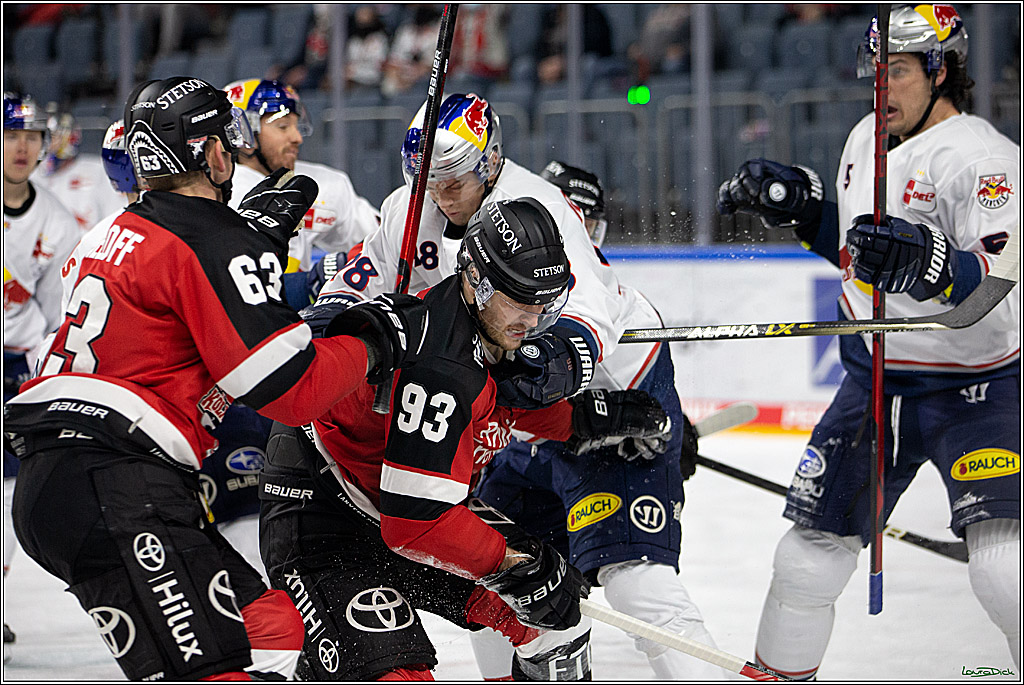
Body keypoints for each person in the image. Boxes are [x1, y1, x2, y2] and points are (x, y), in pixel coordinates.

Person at [3, 76, 434, 681]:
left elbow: (165, 298)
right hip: (118, 482)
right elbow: (291, 386)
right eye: (224, 144)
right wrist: (376, 338)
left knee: (271, 621)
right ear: (205, 150)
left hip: (62, 482)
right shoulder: (213, 239)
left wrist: (247, 242)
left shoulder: (106, 231)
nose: (231, 157)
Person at [717, 5, 1020, 678]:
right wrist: (804, 213)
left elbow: (999, 289)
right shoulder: (863, 139)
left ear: (945, 72)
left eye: (901, 72)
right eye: (875, 72)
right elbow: (861, 253)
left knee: (1005, 569)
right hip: (874, 381)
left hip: (976, 387)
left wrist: (933, 263)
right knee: (805, 558)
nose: (882, 88)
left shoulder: (986, 160)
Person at [260, 197, 674, 680]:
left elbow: (498, 401)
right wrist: (522, 565)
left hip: (402, 504)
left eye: (545, 302)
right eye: (520, 300)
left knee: (555, 626)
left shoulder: (493, 330)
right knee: (398, 673)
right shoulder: (443, 369)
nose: (535, 319)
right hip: (325, 517)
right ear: (476, 282)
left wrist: (584, 420)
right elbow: (415, 525)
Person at [468, 161, 729, 680]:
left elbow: (643, 381)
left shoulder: (599, 296)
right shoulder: (498, 279)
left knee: (635, 580)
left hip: (608, 445)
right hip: (536, 443)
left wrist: (665, 424)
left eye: (587, 221)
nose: (577, 234)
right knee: (488, 571)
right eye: (568, 216)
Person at [3, 92, 80, 664]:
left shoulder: (55, 218)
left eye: (31, 136)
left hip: (19, 368)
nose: (23, 146)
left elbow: (58, 320)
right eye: (11, 134)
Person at [224, 78, 380, 278]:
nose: (297, 137)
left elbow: (382, 244)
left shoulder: (325, 183)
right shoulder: (217, 196)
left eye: (296, 126)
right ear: (244, 133)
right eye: (282, 126)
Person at [30, 111, 124, 231]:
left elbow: (116, 215)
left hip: (89, 246)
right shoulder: (31, 175)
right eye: (44, 137)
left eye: (53, 137)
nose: (49, 144)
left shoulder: (98, 170)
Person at [381, 5, 442, 97]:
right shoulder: (405, 31)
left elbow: (436, 63)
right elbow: (393, 60)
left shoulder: (436, 33)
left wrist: (419, 72)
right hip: (402, 74)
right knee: (388, 85)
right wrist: (399, 75)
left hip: (425, 77)